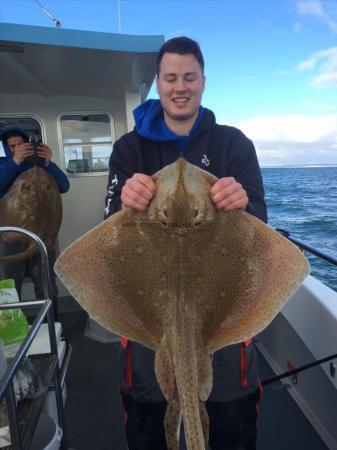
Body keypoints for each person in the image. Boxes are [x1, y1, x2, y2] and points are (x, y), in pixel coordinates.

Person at [105, 37, 267, 450]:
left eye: (189, 77)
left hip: (218, 313)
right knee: (148, 421)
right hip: (151, 319)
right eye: (171, 77)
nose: (181, 87)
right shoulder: (129, 149)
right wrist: (125, 202)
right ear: (158, 83)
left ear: (203, 82)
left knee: (231, 418)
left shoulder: (233, 144)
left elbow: (261, 222)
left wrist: (242, 203)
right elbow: (110, 231)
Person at [0, 127, 70, 316]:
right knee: (10, 285)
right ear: (6, 148)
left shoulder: (40, 165)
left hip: (43, 235)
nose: (17, 148)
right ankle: (12, 333)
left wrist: (48, 162)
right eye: (12, 146)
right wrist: (15, 162)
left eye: (20, 144)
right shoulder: (4, 165)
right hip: (11, 237)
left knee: (46, 283)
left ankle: (53, 326)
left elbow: (64, 186)